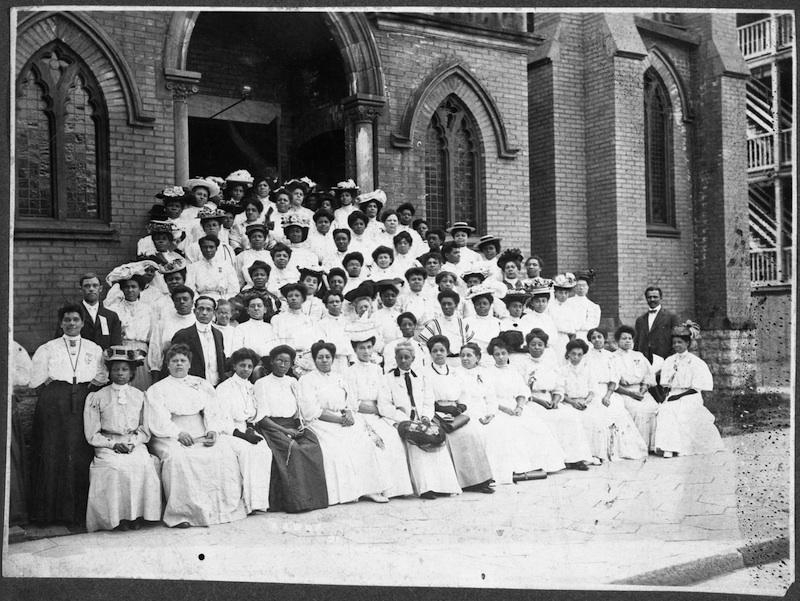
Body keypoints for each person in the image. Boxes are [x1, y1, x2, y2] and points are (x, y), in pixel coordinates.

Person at [145, 343, 246, 527]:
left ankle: (219, 509)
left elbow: (213, 411)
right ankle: (184, 513)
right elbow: (158, 419)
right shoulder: (157, 389)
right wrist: (177, 433)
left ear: (189, 364)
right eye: (174, 361)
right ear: (167, 364)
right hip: (169, 435)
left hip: (200, 431)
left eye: (183, 361)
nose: (179, 364)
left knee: (223, 453)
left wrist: (212, 430)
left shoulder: (201, 384)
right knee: (179, 458)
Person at [29, 303, 108, 524]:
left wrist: (85, 390)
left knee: (80, 450)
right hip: (55, 401)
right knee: (53, 450)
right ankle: (50, 513)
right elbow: (37, 378)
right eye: (67, 320)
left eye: (75, 319)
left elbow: (101, 374)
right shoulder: (48, 348)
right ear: (60, 323)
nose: (71, 324)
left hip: (83, 397)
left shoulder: (93, 348)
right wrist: (56, 393)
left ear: (83, 323)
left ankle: (78, 513)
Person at [298, 341, 389, 505]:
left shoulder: (339, 377)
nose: (324, 360)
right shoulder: (307, 380)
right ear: (314, 359)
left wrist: (348, 412)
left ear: (332, 359)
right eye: (320, 357)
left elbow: (350, 401)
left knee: (365, 444)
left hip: (343, 419)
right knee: (337, 450)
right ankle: (348, 493)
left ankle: (370, 490)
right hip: (320, 422)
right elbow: (310, 411)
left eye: (327, 357)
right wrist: (339, 419)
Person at [83, 346, 161, 532]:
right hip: (107, 444)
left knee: (142, 463)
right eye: (116, 369)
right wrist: (112, 444)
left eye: (125, 369)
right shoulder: (97, 397)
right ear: (109, 372)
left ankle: (138, 515)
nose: (120, 373)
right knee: (116, 467)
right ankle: (117, 518)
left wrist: (133, 442)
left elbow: (144, 430)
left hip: (133, 442)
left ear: (132, 372)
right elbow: (92, 433)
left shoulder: (139, 396)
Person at [378, 341, 461, 499]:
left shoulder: (421, 377)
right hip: (400, 420)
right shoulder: (387, 378)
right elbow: (384, 406)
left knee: (436, 440)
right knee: (416, 443)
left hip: (423, 418)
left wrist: (425, 417)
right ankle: (426, 488)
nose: (403, 361)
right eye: (400, 357)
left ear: (413, 358)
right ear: (395, 358)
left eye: (406, 357)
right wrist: (406, 419)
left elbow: (428, 400)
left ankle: (444, 486)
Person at [253, 345, 328, 513]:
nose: (283, 365)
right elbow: (263, 418)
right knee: (293, 449)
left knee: (313, 444)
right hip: (272, 427)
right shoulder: (262, 383)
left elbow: (297, 411)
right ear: (271, 361)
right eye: (279, 360)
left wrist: (299, 424)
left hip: (292, 425)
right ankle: (296, 502)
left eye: (287, 361)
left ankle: (313, 499)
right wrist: (284, 431)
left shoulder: (293, 382)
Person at [458, 342, 543, 486]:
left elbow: (491, 397)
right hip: (470, 411)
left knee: (511, 427)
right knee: (496, 429)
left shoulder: (484, 373)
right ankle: (488, 475)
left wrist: (493, 413)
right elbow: (463, 400)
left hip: (488, 410)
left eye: (469, 355)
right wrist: (483, 413)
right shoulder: (457, 373)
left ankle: (510, 470)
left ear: (477, 357)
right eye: (463, 356)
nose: (465, 358)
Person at [345, 330, 414, 499]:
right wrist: (376, 409)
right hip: (360, 416)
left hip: (378, 414)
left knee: (393, 438)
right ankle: (372, 489)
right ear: (355, 350)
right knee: (371, 444)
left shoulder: (377, 369)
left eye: (369, 347)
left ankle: (396, 488)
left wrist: (384, 410)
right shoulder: (350, 372)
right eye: (362, 348)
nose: (366, 351)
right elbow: (353, 402)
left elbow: (383, 396)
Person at [485, 337, 565, 476]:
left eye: (503, 353)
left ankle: (541, 464)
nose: (501, 357)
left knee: (535, 426)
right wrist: (505, 410)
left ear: (508, 353)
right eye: (497, 354)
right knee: (508, 429)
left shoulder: (513, 370)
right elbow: (488, 397)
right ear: (492, 355)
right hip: (498, 407)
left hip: (516, 405)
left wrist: (520, 407)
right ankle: (518, 467)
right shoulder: (488, 373)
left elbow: (522, 391)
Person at [425, 335, 494, 494]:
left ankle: (478, 481)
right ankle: (456, 482)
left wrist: (459, 408)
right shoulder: (426, 373)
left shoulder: (454, 372)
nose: (439, 354)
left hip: (454, 412)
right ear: (430, 353)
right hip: (435, 412)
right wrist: (440, 410)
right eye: (434, 351)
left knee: (471, 433)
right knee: (447, 438)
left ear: (448, 351)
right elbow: (426, 397)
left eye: (442, 350)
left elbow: (463, 394)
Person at [517, 328, 593, 470]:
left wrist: (556, 400)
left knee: (570, 416)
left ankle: (574, 458)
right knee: (545, 419)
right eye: (533, 344)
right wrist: (539, 401)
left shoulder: (550, 363)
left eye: (540, 344)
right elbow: (521, 389)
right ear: (528, 345)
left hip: (550, 399)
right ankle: (552, 461)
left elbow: (559, 386)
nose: (537, 347)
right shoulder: (522, 364)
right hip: (532, 400)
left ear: (545, 346)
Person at [653, 322, 726, 457]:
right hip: (674, 394)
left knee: (681, 410)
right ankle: (668, 447)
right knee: (665, 410)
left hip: (690, 395)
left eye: (680, 342)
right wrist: (667, 396)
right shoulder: (669, 360)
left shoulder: (695, 362)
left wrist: (678, 396)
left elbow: (696, 387)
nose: (676, 346)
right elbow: (666, 384)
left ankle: (681, 447)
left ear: (687, 343)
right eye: (674, 343)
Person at [214, 348, 272, 514]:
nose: (246, 369)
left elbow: (255, 412)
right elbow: (222, 418)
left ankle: (259, 502)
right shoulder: (224, 388)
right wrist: (241, 435)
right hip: (229, 432)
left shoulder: (251, 387)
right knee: (247, 452)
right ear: (234, 366)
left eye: (249, 366)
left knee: (264, 451)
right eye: (242, 365)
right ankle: (247, 503)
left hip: (247, 430)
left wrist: (251, 429)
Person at [583, 328, 648, 461]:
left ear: (604, 338)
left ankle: (616, 450)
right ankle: (599, 452)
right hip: (593, 391)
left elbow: (614, 378)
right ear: (590, 340)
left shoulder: (611, 356)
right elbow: (588, 379)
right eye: (593, 338)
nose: (597, 340)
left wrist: (607, 395)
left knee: (616, 410)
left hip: (609, 391)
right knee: (597, 415)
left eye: (599, 337)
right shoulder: (586, 357)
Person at [104, 264, 156, 391]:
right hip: (120, 350)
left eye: (134, 287)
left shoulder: (148, 309)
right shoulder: (114, 309)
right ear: (122, 289)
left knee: (140, 387)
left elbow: (153, 336)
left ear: (140, 289)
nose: (130, 290)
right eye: (127, 287)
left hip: (141, 352)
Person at [612, 325, 659, 451]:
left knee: (654, 408)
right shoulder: (613, 358)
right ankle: (639, 446)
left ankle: (652, 446)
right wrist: (632, 394)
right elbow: (613, 383)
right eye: (624, 338)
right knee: (639, 411)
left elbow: (648, 376)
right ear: (617, 341)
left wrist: (642, 391)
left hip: (641, 391)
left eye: (630, 338)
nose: (627, 341)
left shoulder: (638, 355)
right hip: (624, 393)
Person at [634, 287, 681, 403]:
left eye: (655, 297)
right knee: (648, 392)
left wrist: (670, 359)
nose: (652, 299)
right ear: (646, 299)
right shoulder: (640, 320)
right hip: (646, 361)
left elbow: (677, 340)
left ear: (661, 298)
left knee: (664, 392)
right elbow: (637, 342)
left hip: (663, 359)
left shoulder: (671, 317)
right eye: (649, 297)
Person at [170, 295, 226, 386]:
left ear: (214, 313)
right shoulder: (183, 335)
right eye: (201, 309)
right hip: (192, 387)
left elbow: (221, 362)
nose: (204, 313)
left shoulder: (218, 334)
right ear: (194, 311)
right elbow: (174, 363)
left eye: (208, 309)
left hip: (217, 386)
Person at [62, 273, 122, 350]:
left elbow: (116, 344)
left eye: (95, 285)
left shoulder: (111, 316)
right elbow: (62, 340)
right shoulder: (71, 314)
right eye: (87, 286)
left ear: (100, 288)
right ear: (81, 289)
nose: (91, 289)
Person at [147, 284, 197, 379]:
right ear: (173, 302)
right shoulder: (163, 322)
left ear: (192, 301)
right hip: (169, 370)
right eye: (178, 300)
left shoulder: (198, 321)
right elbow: (156, 348)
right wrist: (156, 371)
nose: (182, 302)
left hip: (195, 369)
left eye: (185, 299)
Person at [418, 289, 473, 366]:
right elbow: (424, 346)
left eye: (449, 304)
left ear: (456, 305)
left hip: (460, 362)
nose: (446, 307)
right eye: (444, 304)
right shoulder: (434, 324)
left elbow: (469, 343)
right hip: (442, 363)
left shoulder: (462, 323)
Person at [185, 235, 240, 301]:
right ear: (200, 249)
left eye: (211, 247)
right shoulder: (193, 267)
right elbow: (190, 288)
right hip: (201, 300)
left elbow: (234, 288)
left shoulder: (226, 266)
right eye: (205, 247)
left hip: (222, 299)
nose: (208, 250)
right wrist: (198, 300)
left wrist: (225, 300)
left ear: (216, 248)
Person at [568, 271, 602, 342]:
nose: (581, 288)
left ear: (588, 287)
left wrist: (580, 327)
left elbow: (593, 324)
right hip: (570, 335)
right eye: (578, 285)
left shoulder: (594, 306)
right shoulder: (567, 303)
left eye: (584, 285)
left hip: (587, 337)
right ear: (574, 287)